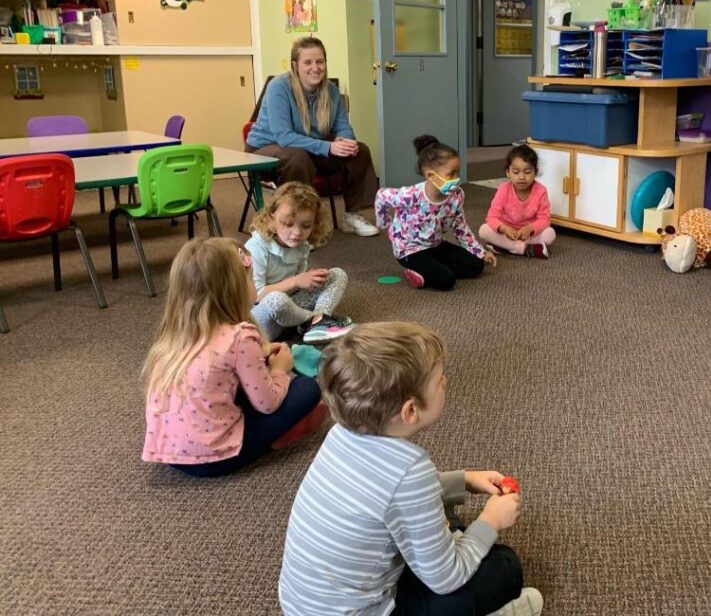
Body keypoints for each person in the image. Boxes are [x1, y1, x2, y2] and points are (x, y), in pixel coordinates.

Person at [278, 322, 543, 616]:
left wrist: (463, 480)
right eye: (439, 379)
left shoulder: (340, 434)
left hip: (303, 607)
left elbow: (383, 495)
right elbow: (447, 578)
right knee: (504, 568)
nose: (445, 382)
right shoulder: (410, 473)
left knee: (443, 529)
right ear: (410, 411)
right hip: (366, 610)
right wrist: (491, 520)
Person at [141, 237, 325, 478]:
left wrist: (260, 358)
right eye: (249, 278)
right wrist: (281, 368)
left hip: (169, 453)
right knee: (307, 389)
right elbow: (268, 403)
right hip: (215, 459)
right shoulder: (239, 337)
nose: (254, 283)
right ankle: (273, 440)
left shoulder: (173, 334)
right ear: (235, 288)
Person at [246, 36, 380, 237]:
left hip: (308, 150)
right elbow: (284, 137)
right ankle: (298, 222)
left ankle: (352, 215)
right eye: (307, 62)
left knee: (359, 151)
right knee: (297, 156)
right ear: (295, 65)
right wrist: (328, 147)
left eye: (320, 61)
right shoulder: (278, 87)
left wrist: (346, 142)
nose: (315, 68)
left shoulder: (332, 91)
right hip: (265, 149)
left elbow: (343, 127)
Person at [375, 135, 496, 290]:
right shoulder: (411, 195)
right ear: (430, 176)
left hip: (435, 245)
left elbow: (461, 228)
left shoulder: (456, 195)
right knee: (446, 281)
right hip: (410, 249)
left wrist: (480, 252)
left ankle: (432, 268)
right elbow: (381, 196)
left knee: (476, 265)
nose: (457, 179)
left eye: (457, 173)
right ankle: (416, 270)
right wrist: (386, 225)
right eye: (451, 174)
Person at [247, 181, 353, 344]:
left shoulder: (301, 245)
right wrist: (296, 281)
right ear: (272, 218)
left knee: (337, 274)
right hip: (260, 319)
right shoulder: (256, 247)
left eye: (306, 226)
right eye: (288, 224)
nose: (296, 233)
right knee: (276, 299)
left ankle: (316, 324)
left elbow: (297, 289)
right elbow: (256, 296)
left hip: (291, 310)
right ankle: (316, 321)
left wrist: (310, 280)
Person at [477, 144, 554, 258]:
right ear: (508, 172)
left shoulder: (541, 191)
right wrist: (504, 229)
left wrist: (531, 228)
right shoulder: (503, 189)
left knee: (550, 234)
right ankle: (522, 249)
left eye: (527, 172)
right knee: (483, 230)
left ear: (535, 172)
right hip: (507, 233)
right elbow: (491, 217)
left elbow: (545, 219)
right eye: (516, 172)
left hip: (527, 234)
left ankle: (503, 247)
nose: (522, 177)